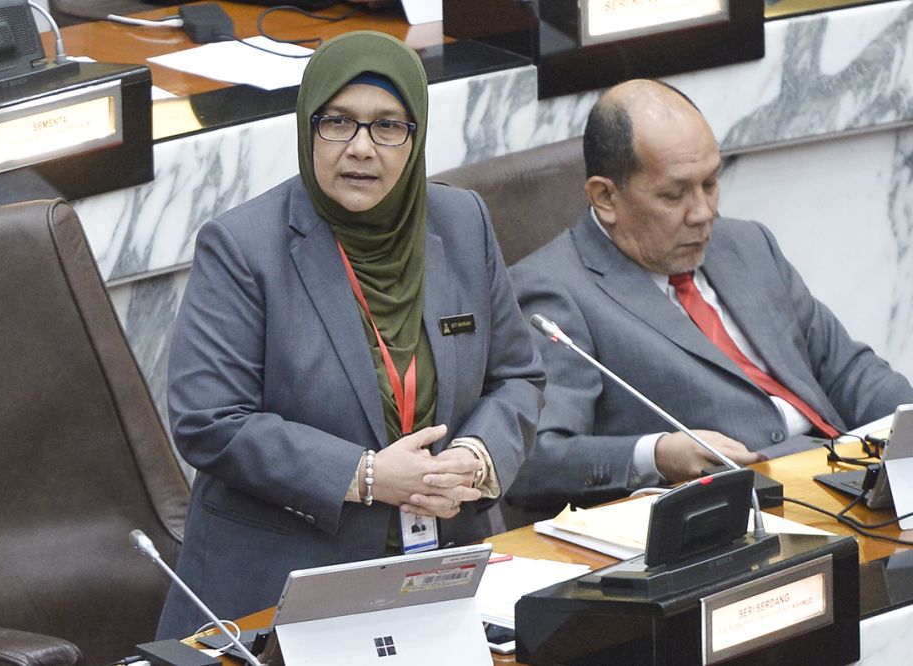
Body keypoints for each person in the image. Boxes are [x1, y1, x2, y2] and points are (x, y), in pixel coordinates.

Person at [156, 31, 544, 638]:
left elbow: (517, 376)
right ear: (308, 129)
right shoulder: (244, 247)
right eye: (338, 122)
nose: (361, 148)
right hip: (282, 588)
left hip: (443, 576)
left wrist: (475, 458)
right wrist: (364, 475)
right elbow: (209, 420)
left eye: (388, 126)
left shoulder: (461, 222)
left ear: (415, 139)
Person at [507, 79, 913, 511]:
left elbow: (848, 371)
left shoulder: (747, 244)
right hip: (747, 515)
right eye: (675, 194)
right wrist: (656, 454)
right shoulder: (554, 290)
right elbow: (534, 459)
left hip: (844, 481)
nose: (703, 213)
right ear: (605, 197)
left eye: (711, 183)